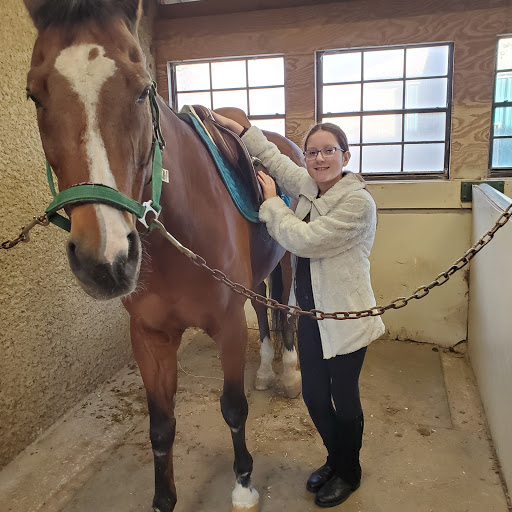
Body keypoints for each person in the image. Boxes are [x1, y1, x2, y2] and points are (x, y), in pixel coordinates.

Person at [213, 112, 385, 508]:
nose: (319, 158)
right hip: (308, 316)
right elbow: (276, 161)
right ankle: (335, 459)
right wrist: (242, 131)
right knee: (314, 397)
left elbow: (303, 239)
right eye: (312, 152)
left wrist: (272, 203)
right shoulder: (312, 187)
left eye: (329, 151)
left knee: (344, 399)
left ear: (345, 155)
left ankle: (349, 471)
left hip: (345, 320)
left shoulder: (357, 203)